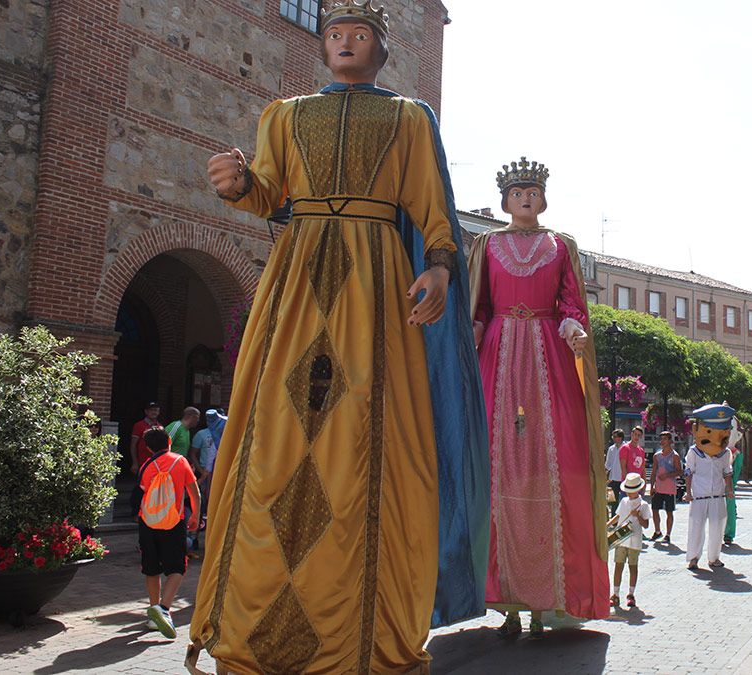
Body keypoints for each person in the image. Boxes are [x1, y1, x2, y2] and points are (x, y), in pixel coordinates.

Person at [190, 4, 491, 670]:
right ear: (323, 47)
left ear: (383, 51)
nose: (345, 43)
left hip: (377, 286)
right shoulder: (284, 116)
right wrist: (239, 184)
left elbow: (435, 214)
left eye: (359, 36)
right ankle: (258, 618)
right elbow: (271, 191)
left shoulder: (410, 118)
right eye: (335, 35)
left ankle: (365, 627)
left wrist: (440, 270)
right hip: (297, 282)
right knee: (276, 431)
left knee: (372, 435)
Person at [468, 156, 609, 637]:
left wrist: (572, 325)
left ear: (543, 198)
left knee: (557, 466)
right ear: (504, 200)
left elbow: (571, 298)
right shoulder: (486, 243)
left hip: (548, 351)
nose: (525, 199)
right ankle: (504, 599)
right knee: (496, 465)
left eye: (532, 192)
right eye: (517, 193)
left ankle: (549, 600)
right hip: (499, 353)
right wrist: (475, 328)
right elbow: (480, 301)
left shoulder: (561, 244)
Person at [136, 427, 200, 640]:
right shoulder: (180, 461)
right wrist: (196, 516)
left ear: (148, 446)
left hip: (148, 521)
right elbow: (194, 492)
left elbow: (143, 491)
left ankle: (154, 612)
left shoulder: (146, 466)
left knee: (151, 568)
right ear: (169, 441)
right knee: (177, 567)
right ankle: (164, 609)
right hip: (174, 521)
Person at [684, 404, 736, 570]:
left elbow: (727, 472)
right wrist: (687, 492)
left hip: (717, 496)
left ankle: (714, 558)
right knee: (696, 528)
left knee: (717, 528)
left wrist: (729, 490)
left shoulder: (725, 453)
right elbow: (689, 472)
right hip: (699, 496)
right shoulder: (694, 452)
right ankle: (693, 558)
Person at [610, 472, 652, 609]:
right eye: (628, 491)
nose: (629, 494)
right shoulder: (624, 501)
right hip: (622, 539)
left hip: (634, 540)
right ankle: (615, 594)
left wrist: (638, 516)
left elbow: (646, 525)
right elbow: (618, 516)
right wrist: (607, 524)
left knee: (633, 567)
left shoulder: (644, 505)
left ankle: (631, 594)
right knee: (618, 565)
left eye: (631, 491)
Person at [649, 431, 681, 543]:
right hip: (658, 488)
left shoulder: (675, 456)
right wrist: (652, 486)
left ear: (670, 441)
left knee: (669, 512)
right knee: (654, 510)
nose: (662, 441)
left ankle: (668, 534)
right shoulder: (656, 456)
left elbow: (680, 472)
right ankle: (657, 531)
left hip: (669, 489)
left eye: (665, 439)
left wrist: (667, 475)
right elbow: (653, 472)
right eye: (661, 439)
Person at [724, 421, 744, 545]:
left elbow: (734, 473)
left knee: (729, 508)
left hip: (728, 486)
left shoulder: (736, 454)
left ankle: (728, 534)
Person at [129, 401, 161, 475]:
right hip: (142, 463)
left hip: (157, 463)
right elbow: (133, 445)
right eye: (151, 410)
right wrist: (135, 463)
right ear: (146, 412)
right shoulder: (139, 425)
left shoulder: (160, 427)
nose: (154, 412)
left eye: (156, 410)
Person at [605, 429, 625, 504]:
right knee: (613, 501)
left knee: (624, 500)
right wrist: (605, 477)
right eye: (613, 436)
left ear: (620, 438)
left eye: (615, 436)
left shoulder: (625, 448)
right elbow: (608, 464)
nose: (613, 438)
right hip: (613, 479)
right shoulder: (611, 449)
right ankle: (614, 515)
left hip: (623, 478)